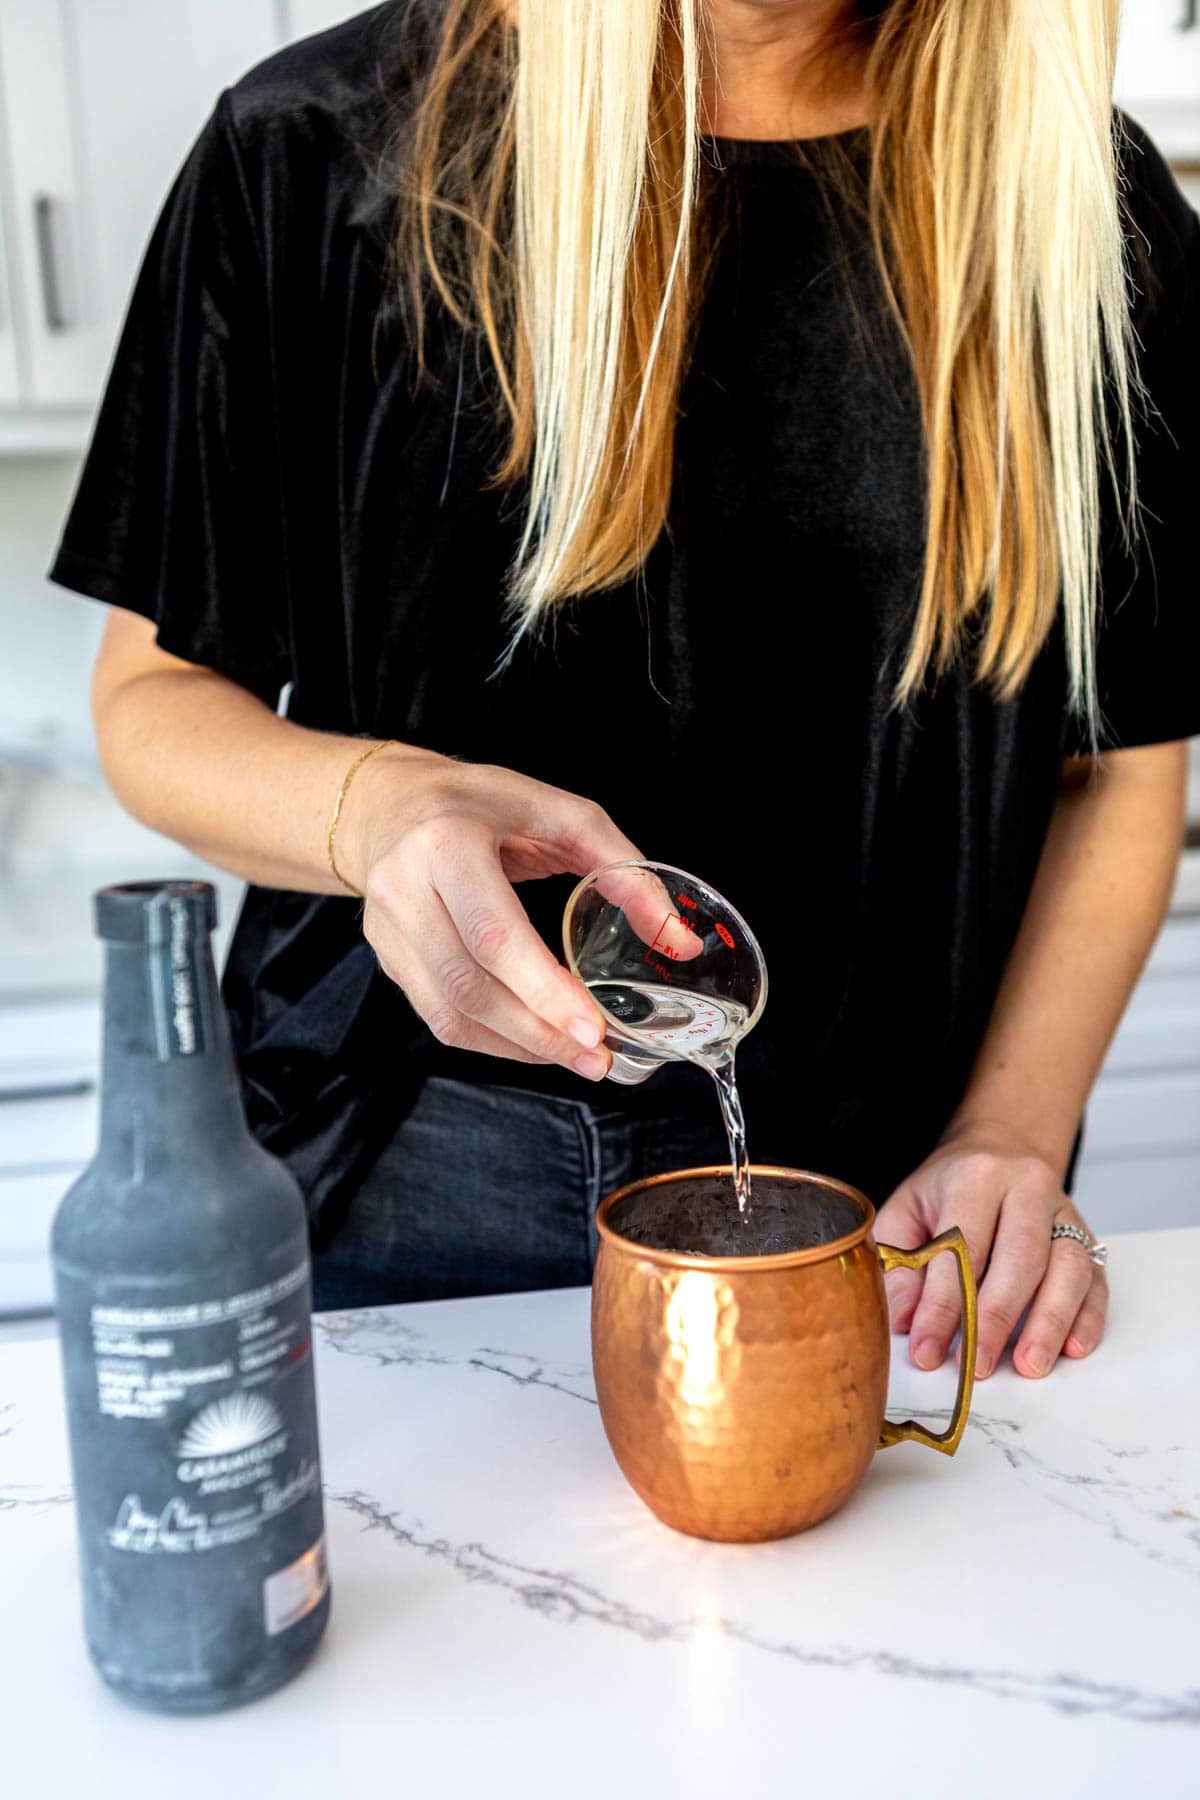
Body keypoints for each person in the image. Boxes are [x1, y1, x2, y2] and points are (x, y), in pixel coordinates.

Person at [49, 0, 1197, 1378]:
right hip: (408, 1175)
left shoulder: (1084, 207)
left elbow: (1123, 760)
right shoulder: (319, 150)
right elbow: (154, 700)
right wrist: (386, 812)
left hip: (890, 1216)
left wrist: (1011, 1127)